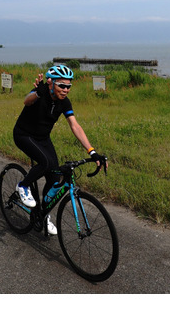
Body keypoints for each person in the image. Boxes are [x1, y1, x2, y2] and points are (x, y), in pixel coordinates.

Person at [13, 64, 107, 235]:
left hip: (42, 139)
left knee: (55, 177)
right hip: (24, 135)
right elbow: (27, 101)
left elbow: (75, 126)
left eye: (68, 86)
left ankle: (42, 214)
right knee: (45, 162)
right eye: (61, 85)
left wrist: (92, 151)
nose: (66, 90)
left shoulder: (64, 102)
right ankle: (23, 185)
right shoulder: (39, 94)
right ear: (51, 83)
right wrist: (38, 93)